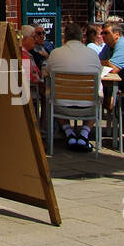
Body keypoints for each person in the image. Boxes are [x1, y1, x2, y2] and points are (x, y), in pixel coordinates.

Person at [44, 21, 103, 151]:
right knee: (98, 95)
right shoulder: (92, 54)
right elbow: (99, 73)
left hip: (61, 106)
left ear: (65, 37)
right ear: (81, 37)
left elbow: (46, 71)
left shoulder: (55, 53)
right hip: (89, 106)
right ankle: (84, 134)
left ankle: (69, 133)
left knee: (52, 95)